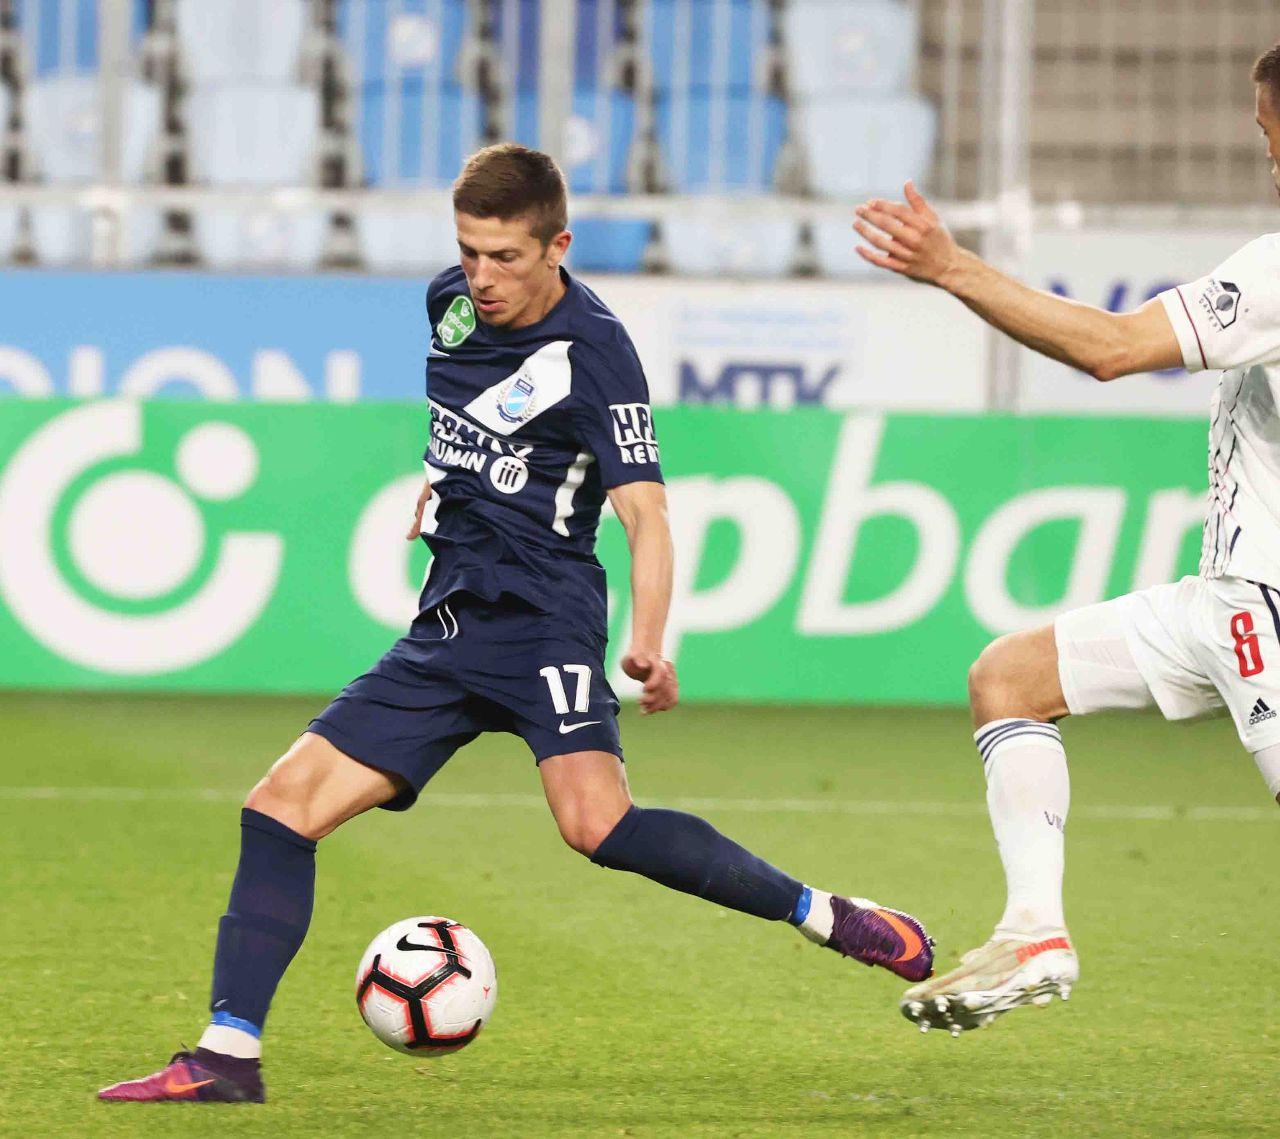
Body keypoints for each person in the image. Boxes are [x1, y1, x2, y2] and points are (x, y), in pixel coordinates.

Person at [98, 144, 933, 1103]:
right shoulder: (448, 304)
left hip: (546, 621)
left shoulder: (597, 353)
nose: (481, 277)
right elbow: (466, 417)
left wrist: (649, 639)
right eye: (469, 252)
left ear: (557, 246)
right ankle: (226, 1056)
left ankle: (828, 914)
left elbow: (646, 512)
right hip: (452, 621)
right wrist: (441, 480)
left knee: (597, 824)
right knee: (280, 806)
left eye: (504, 257)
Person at [850, 43, 1280, 1034]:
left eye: (1270, 136)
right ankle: (1033, 931)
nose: (1268, 161)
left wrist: (951, 266)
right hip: (1220, 599)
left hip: (1263, 610)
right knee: (1008, 677)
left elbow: (1110, 348)